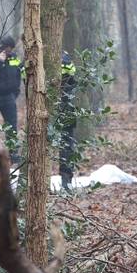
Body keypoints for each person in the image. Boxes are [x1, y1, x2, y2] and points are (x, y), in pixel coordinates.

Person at [0, 36, 22, 132]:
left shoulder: (13, 58)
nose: (9, 51)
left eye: (11, 49)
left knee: (12, 128)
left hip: (9, 97)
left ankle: (12, 147)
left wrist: (15, 93)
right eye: (8, 49)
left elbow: (18, 75)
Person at [57, 52, 78, 188]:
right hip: (55, 106)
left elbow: (71, 79)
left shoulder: (64, 58)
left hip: (65, 106)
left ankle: (66, 182)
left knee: (66, 145)